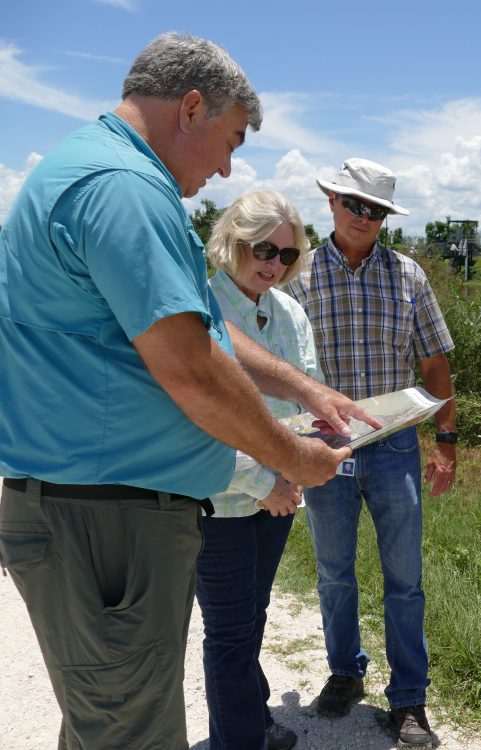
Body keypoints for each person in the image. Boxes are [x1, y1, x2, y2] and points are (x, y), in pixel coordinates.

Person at [0, 33, 369, 750]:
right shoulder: (127, 187)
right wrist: (292, 457)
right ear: (191, 107)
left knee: (111, 724)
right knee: (130, 733)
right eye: (229, 140)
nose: (228, 165)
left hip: (101, 511)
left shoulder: (97, 171)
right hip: (107, 523)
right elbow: (192, 369)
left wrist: (303, 388)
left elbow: (200, 336)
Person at [287, 158, 456, 749]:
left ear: (386, 217)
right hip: (324, 451)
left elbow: (435, 364)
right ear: (331, 201)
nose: (364, 217)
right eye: (354, 204)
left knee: (404, 580)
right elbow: (278, 366)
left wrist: (448, 441)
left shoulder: (409, 277)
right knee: (334, 573)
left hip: (393, 450)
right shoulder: (298, 276)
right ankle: (344, 671)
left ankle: (409, 699)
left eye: (376, 209)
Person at [196, 190, 319, 750]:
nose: (274, 264)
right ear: (232, 242)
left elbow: (304, 407)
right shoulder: (199, 305)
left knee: (255, 616)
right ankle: (239, 739)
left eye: (287, 256)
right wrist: (264, 480)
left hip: (280, 495)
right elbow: (200, 416)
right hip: (221, 497)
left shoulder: (291, 311)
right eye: (264, 249)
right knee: (228, 633)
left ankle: (251, 721)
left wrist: (290, 477)